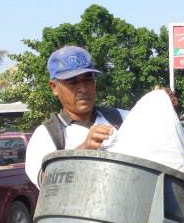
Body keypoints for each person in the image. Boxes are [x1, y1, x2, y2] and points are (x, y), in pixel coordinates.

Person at [24, 46, 128, 187]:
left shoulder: (122, 118)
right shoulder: (47, 135)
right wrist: (84, 150)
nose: (83, 89)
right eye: (72, 82)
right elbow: (46, 182)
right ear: (54, 87)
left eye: (88, 79)